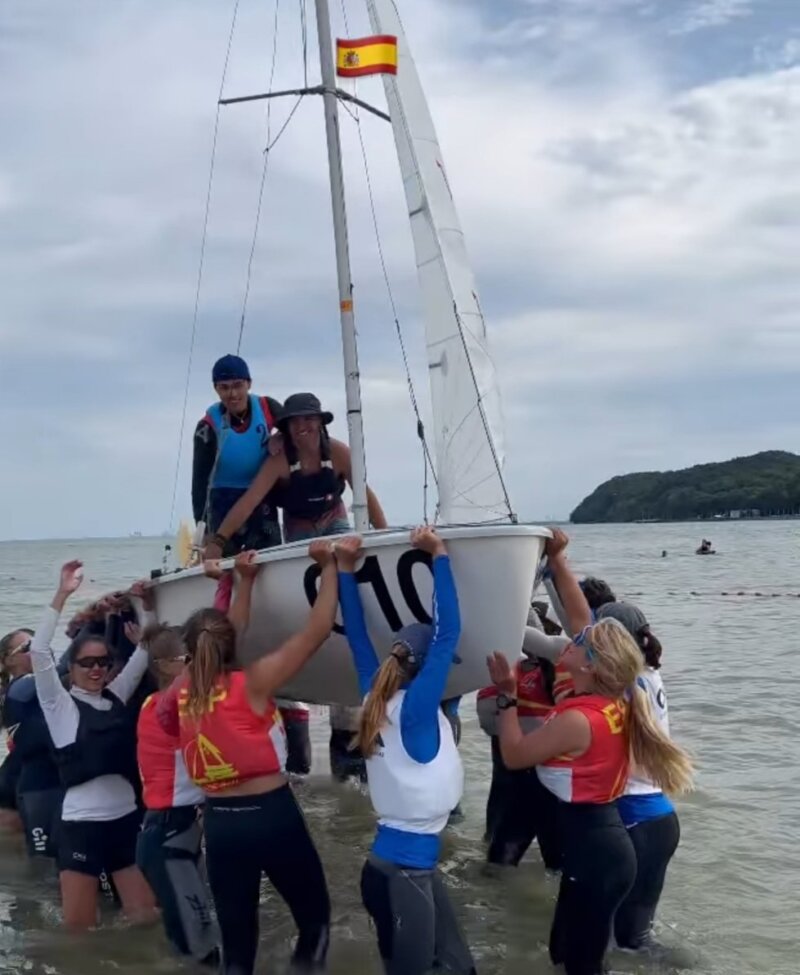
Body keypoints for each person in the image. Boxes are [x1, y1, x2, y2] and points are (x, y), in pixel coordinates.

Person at [487, 529, 693, 975]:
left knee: (598, 953)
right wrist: (557, 563)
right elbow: (579, 624)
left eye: (589, 641)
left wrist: (506, 695)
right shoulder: (631, 687)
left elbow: (516, 755)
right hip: (647, 820)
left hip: (631, 822)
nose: (576, 640)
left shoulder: (613, 696)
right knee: (624, 945)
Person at [161, 545, 337, 975]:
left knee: (238, 952)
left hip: (221, 826)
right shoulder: (255, 682)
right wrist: (332, 566)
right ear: (229, 645)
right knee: (314, 923)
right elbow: (317, 631)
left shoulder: (181, 691)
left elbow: (220, 635)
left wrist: (244, 582)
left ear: (190, 651)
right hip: (272, 816)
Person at [336, 529, 476, 975]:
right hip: (403, 876)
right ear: (422, 670)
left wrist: (343, 570)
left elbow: (357, 638)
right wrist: (438, 555)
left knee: (459, 967)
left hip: (400, 871)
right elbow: (448, 632)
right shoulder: (415, 711)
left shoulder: (373, 698)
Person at [30, 562, 157, 929]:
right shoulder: (61, 706)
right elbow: (39, 652)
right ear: (72, 667)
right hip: (81, 826)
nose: (97, 669)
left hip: (124, 821)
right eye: (87, 663)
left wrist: (145, 604)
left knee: (146, 918)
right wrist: (63, 593)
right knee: (81, 932)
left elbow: (144, 653)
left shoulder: (116, 696)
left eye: (103, 662)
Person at [595, 601, 680, 952]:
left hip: (636, 820)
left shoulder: (626, 687)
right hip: (659, 817)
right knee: (638, 937)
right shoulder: (649, 674)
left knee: (626, 939)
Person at [203, 391, 387, 553]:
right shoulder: (278, 461)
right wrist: (218, 541)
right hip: (299, 525)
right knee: (309, 566)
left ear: (320, 422)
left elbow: (365, 494)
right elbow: (249, 501)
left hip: (333, 517)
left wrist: (384, 537)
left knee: (348, 555)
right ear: (287, 428)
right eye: (295, 421)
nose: (301, 426)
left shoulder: (339, 453)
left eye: (308, 419)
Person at [136, 624, 219, 966]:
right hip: (169, 837)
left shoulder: (154, 703)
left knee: (194, 941)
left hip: (174, 832)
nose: (197, 666)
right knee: (199, 949)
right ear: (164, 665)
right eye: (188, 660)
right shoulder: (164, 711)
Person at [477, 608, 561, 869]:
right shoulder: (558, 671)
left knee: (497, 861)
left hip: (521, 782)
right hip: (539, 784)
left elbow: (488, 721)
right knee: (554, 862)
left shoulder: (512, 673)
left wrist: (511, 709)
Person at [192, 354, 284, 555]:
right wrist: (205, 531)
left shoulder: (268, 408)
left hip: (261, 496)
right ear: (216, 389)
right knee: (226, 564)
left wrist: (281, 436)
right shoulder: (207, 427)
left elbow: (296, 429)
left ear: (249, 384)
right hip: (222, 499)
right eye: (224, 387)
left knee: (268, 556)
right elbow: (199, 484)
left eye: (237, 385)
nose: (232, 394)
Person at [1, 626, 64, 859]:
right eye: (29, 647)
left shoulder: (42, 688)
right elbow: (66, 667)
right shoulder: (21, 688)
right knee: (43, 868)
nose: (39, 650)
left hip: (40, 782)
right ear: (9, 661)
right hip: (35, 786)